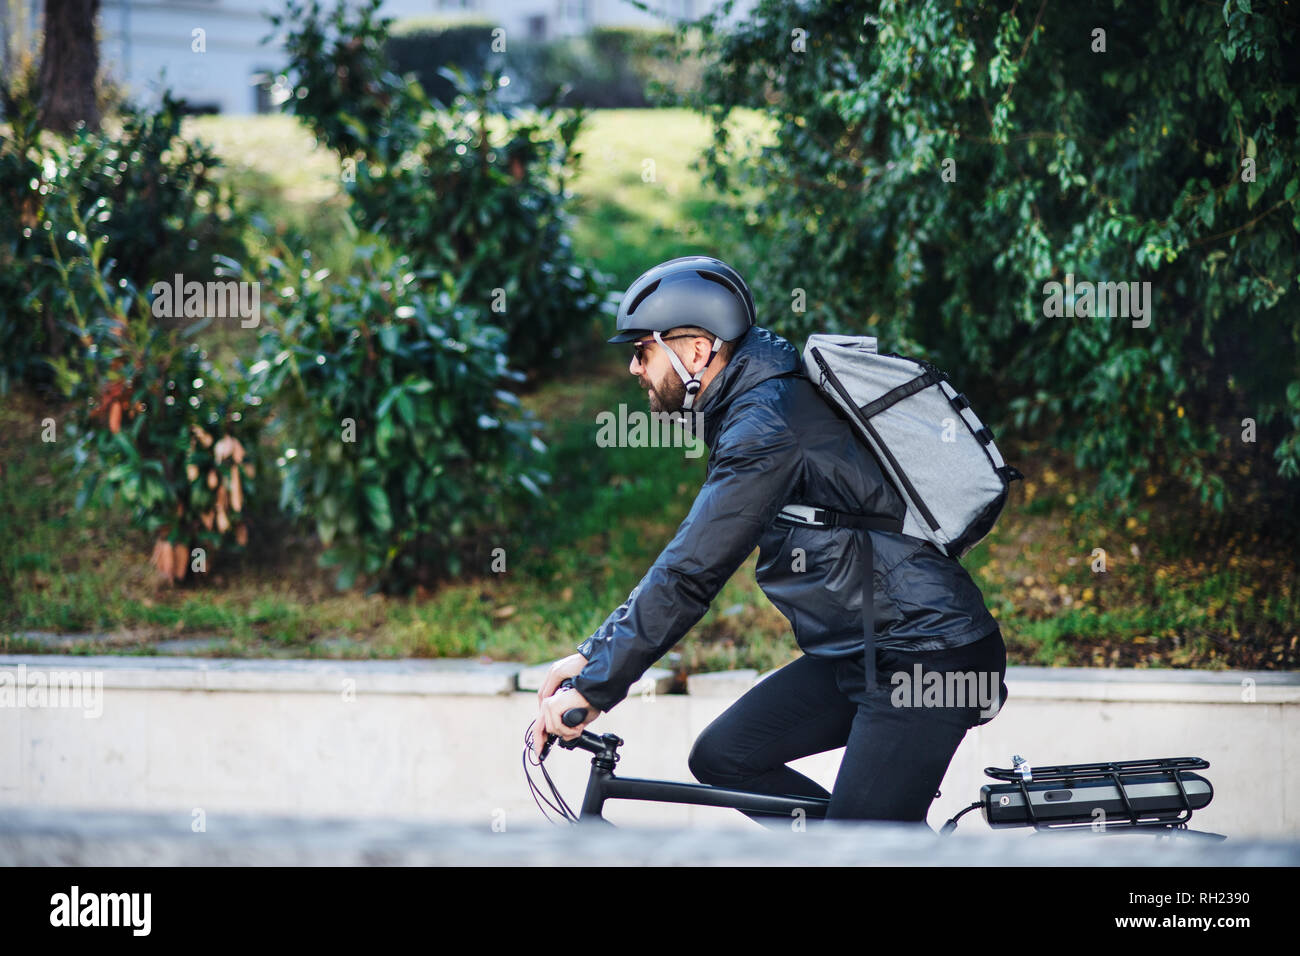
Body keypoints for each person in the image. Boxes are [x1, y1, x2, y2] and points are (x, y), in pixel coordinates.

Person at [534, 255, 1008, 827]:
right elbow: (686, 563)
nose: (634, 368)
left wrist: (598, 686)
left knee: (857, 853)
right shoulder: (756, 408)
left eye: (642, 350)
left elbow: (690, 572)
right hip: (865, 649)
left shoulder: (766, 424)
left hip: (928, 657)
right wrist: (591, 653)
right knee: (726, 756)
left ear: (695, 351)